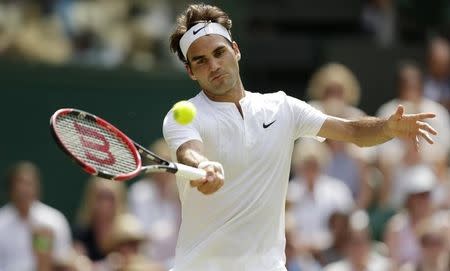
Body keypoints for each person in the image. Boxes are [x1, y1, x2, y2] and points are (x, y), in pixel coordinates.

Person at [162, 4, 437, 270]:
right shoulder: (184, 115)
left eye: (219, 53)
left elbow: (352, 131)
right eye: (201, 61)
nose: (214, 65)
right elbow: (188, 151)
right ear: (190, 71)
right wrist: (202, 166)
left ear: (235, 50)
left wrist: (387, 128)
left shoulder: (282, 108)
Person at [0, 161, 72, 271]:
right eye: (19, 183)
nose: (23, 189)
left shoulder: (54, 220)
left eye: (28, 184)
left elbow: (63, 260)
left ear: (37, 187)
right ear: (10, 188)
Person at [73, 176, 127, 262]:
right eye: (100, 196)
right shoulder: (81, 232)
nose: (105, 203)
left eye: (109, 197)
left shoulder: (128, 234)